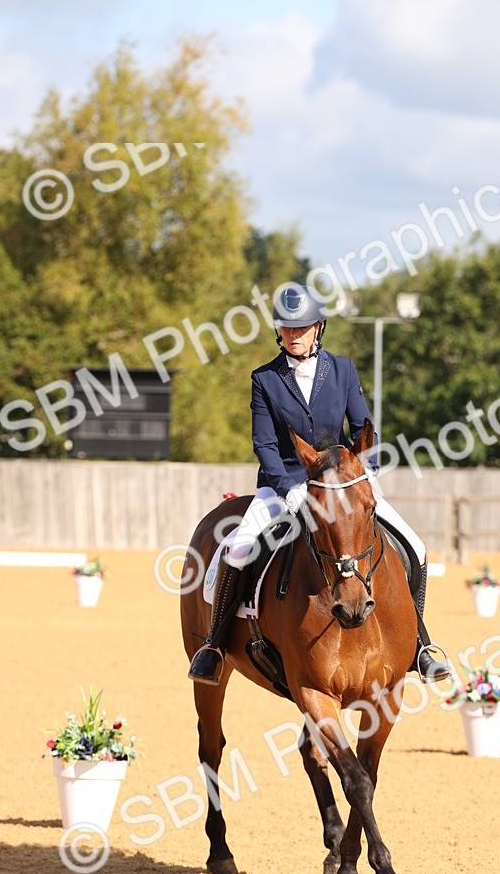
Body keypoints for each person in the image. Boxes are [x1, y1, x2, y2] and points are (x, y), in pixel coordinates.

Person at [188, 284, 452, 686]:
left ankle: (419, 646)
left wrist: (366, 470)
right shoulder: (264, 379)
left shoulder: (343, 369)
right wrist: (288, 488)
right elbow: (263, 444)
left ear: (318, 328)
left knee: (414, 545)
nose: (294, 334)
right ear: (279, 331)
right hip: (286, 486)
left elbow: (363, 426)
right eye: (287, 328)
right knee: (239, 548)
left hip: (345, 482)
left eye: (303, 327)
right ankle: (213, 645)